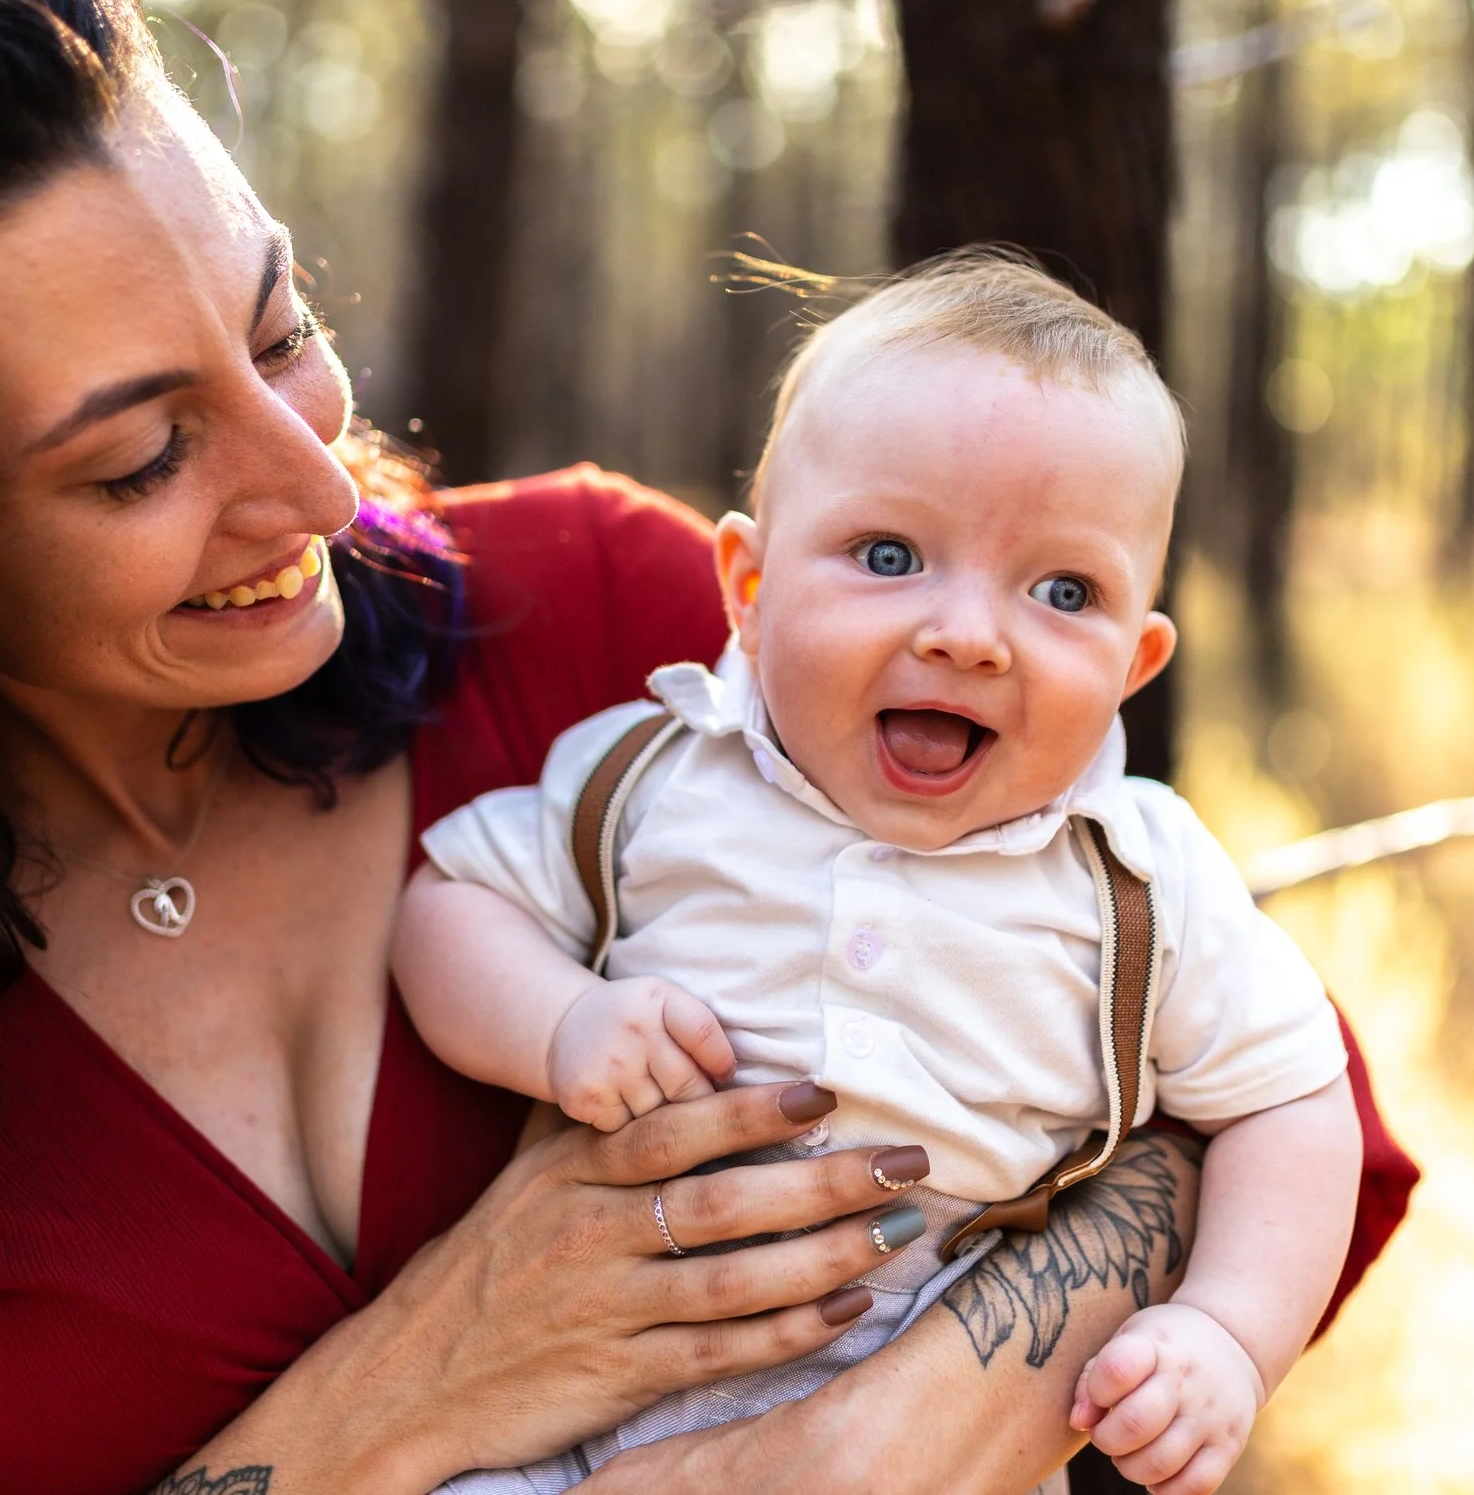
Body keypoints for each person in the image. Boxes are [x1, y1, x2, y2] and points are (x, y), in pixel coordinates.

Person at [0, 0, 1414, 1495]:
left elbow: (1268, 1102)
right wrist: (405, 1394)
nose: (307, 475)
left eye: (276, 330)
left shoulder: (618, 616)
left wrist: (880, 1427)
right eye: (136, 454)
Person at [396, 254, 1360, 1495]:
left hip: (928, 1430)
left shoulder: (1136, 873)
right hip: (573, 1428)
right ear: (747, 588)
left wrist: (1230, 1328)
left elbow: (1292, 1099)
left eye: (1063, 590)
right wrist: (558, 1018)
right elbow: (447, 904)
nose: (967, 632)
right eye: (890, 554)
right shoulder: (655, 771)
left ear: (1134, 660)